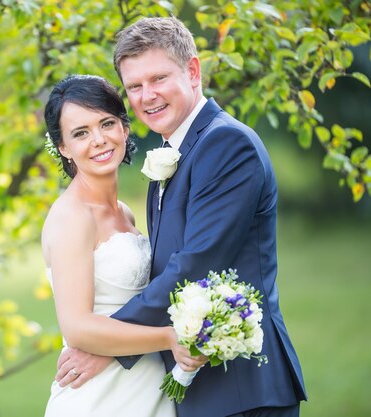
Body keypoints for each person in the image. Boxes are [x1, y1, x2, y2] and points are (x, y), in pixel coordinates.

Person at [54, 17, 308, 417]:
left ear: (193, 71)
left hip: (242, 387)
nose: (147, 95)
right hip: (192, 387)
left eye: (158, 78)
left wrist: (106, 345)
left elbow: (195, 263)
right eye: (134, 86)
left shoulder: (226, 144)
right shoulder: (173, 153)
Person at [41, 74, 207, 417]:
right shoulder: (71, 217)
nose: (99, 140)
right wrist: (167, 338)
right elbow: (77, 327)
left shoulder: (126, 213)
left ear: (125, 128)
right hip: (98, 397)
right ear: (63, 147)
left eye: (106, 123)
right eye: (80, 133)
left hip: (146, 386)